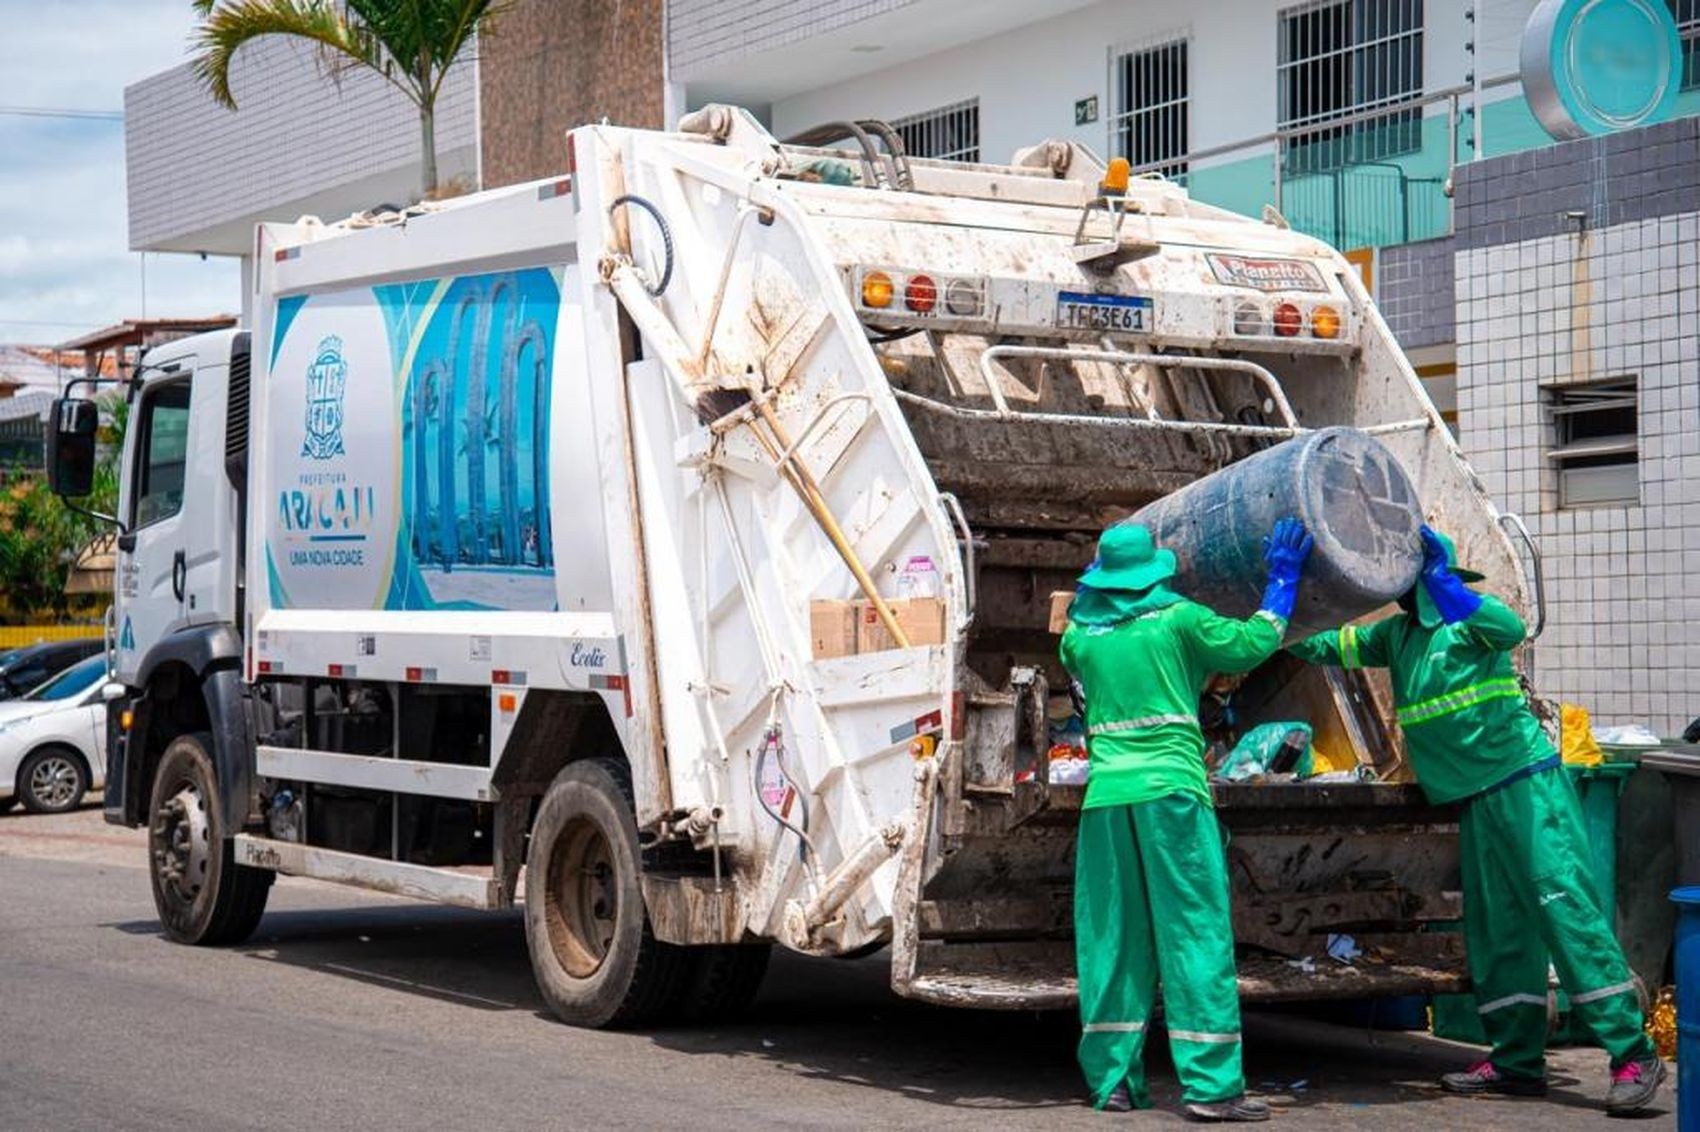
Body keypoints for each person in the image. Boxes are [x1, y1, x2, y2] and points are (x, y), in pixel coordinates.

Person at [1288, 526, 1664, 1115]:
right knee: (1497, 932)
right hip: (1477, 799)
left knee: (1565, 916)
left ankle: (1632, 1052)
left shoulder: (1473, 625)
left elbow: (1510, 629)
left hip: (1525, 787)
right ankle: (1516, 1061)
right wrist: (1278, 605)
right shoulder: (1398, 636)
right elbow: (1329, 648)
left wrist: (1444, 583)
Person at [1060, 518, 1313, 1120]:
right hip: (1173, 797)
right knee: (1194, 933)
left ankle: (1113, 1081)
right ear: (1151, 572)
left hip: (1105, 804)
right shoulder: (1179, 620)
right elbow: (1255, 643)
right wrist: (1282, 581)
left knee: (1113, 940)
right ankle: (1212, 1088)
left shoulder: (1078, 638)